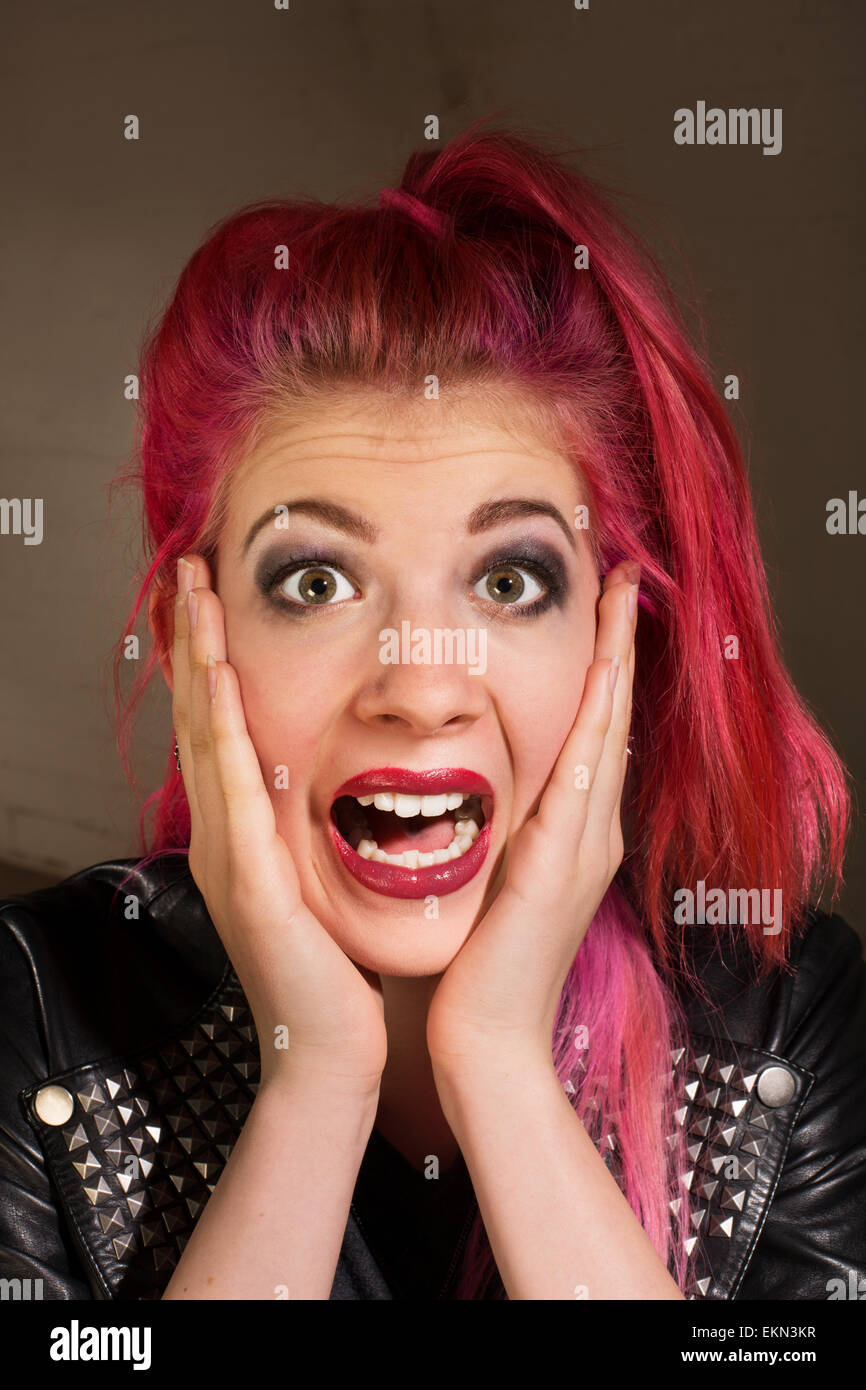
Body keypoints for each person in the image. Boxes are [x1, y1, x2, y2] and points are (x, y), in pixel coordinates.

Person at [1, 118, 864, 1302]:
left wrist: (498, 1068)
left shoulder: (790, 1026)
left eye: (509, 581)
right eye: (314, 582)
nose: (418, 685)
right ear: (196, 636)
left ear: (619, 642)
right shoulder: (37, 1004)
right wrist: (316, 1083)